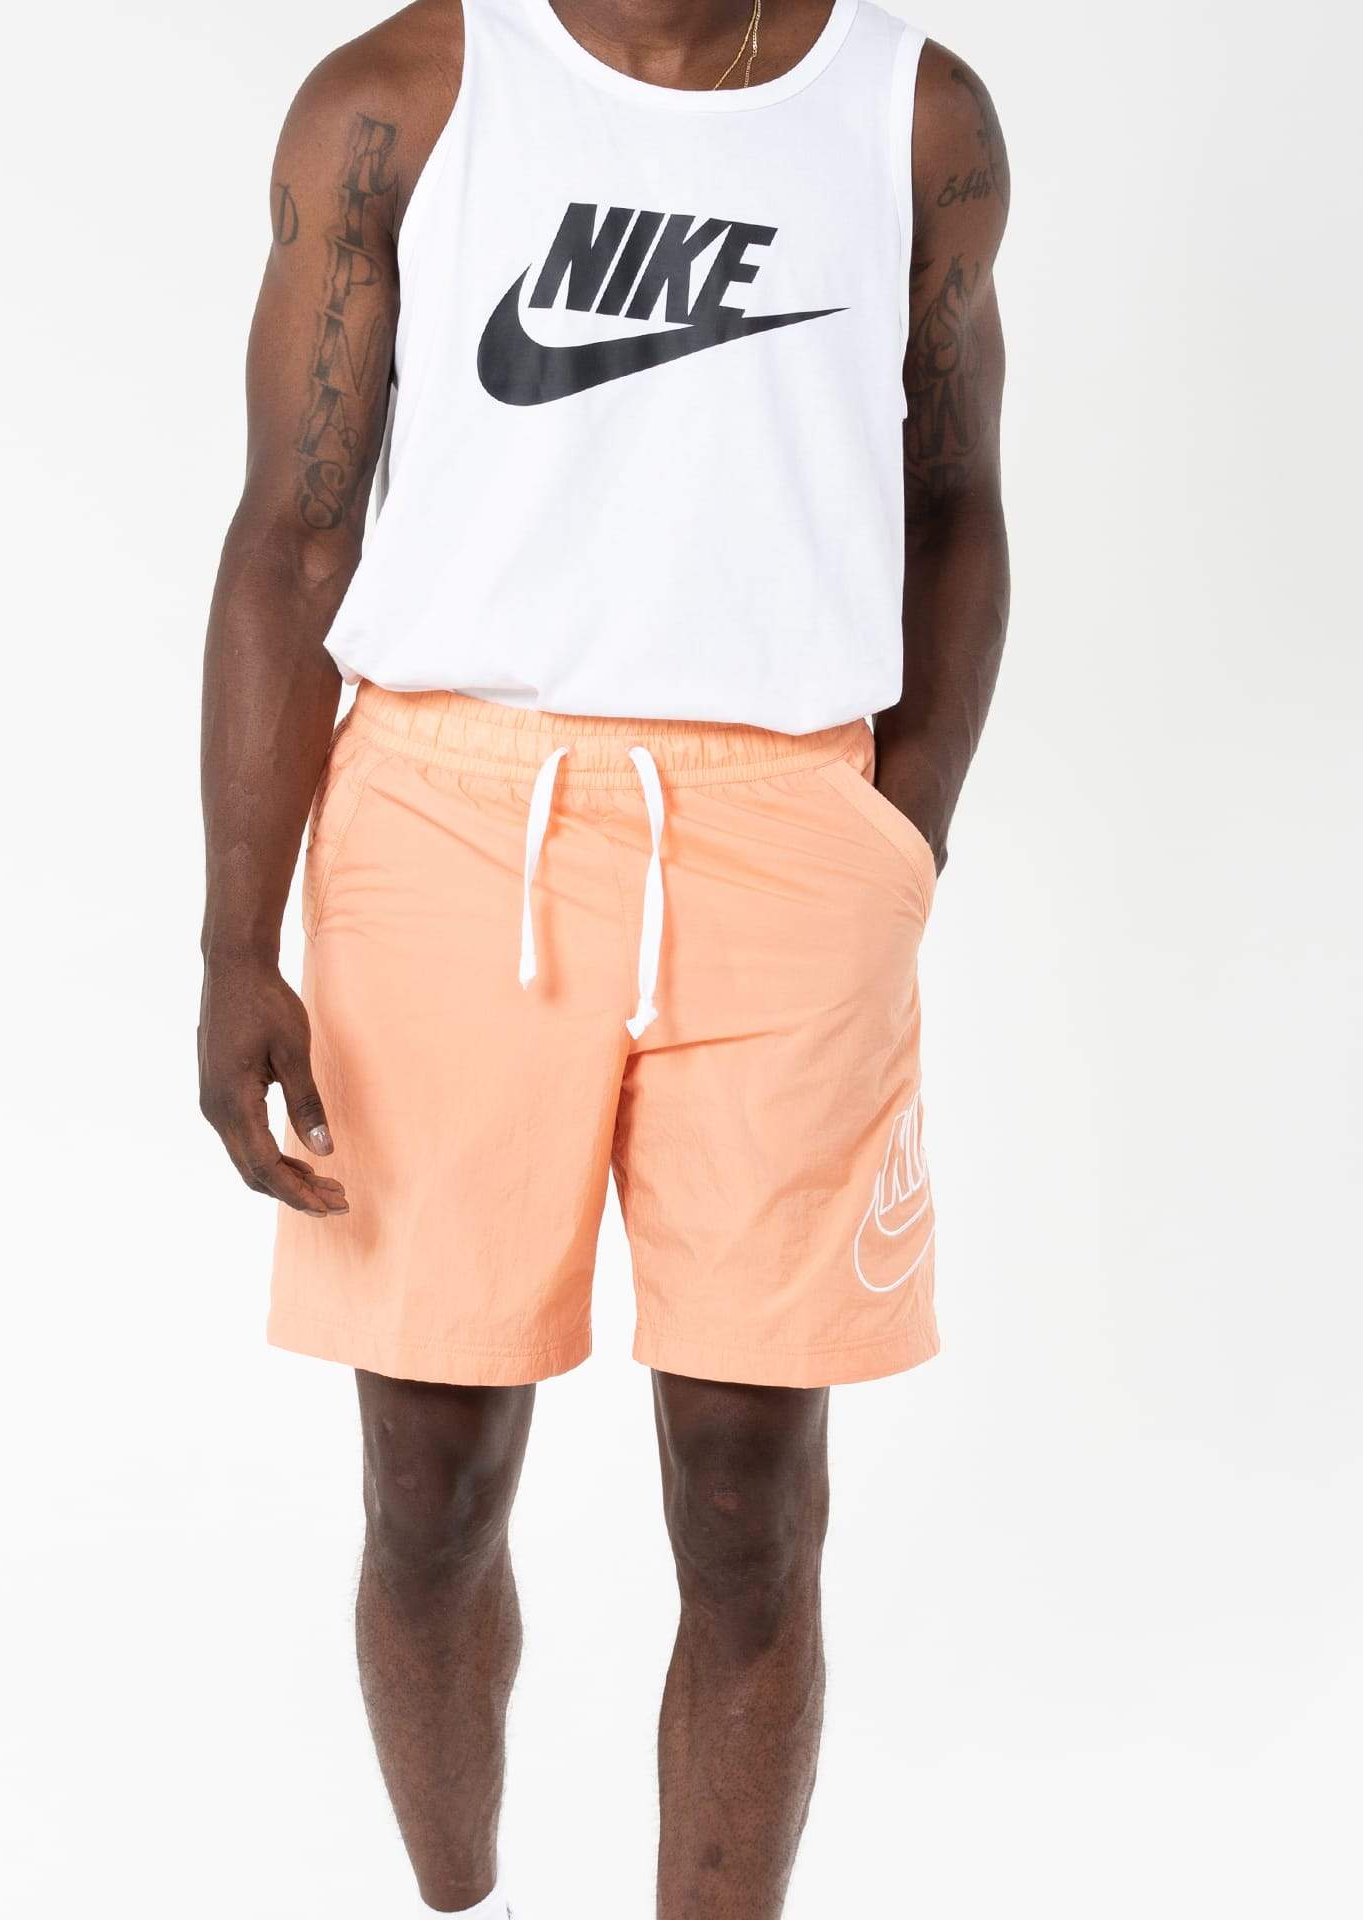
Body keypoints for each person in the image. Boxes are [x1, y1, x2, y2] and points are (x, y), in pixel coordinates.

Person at [197, 0, 1009, 1912]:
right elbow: (295, 531)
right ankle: (459, 1900)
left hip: (784, 829)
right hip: (453, 821)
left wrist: (899, 837)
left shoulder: (912, 114)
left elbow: (958, 500)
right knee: (429, 1485)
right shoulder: (400, 100)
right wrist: (237, 935)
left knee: (749, 1499)